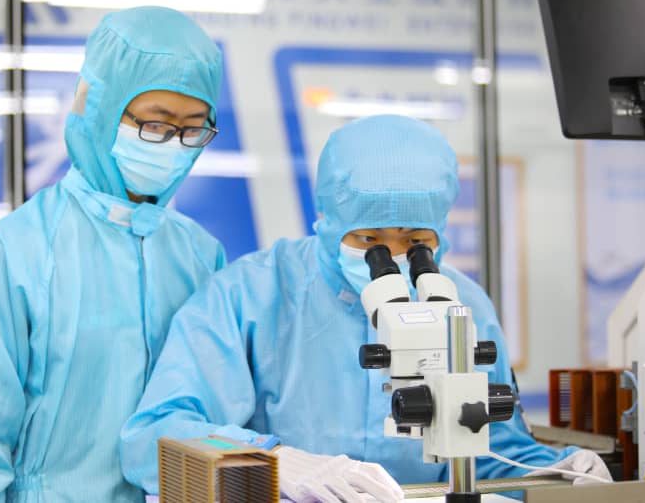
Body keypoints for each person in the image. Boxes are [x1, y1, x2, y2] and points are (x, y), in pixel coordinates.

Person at [119, 115, 611, 502]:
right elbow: (155, 438)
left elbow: (490, 452)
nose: (392, 259)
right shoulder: (251, 295)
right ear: (332, 221)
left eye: (415, 240)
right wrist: (277, 463)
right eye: (371, 239)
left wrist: (556, 471)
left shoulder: (463, 306)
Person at [0, 6, 227, 503]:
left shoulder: (200, 257)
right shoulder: (9, 256)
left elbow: (214, 419)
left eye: (193, 130)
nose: (174, 146)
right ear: (99, 106)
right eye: (155, 124)